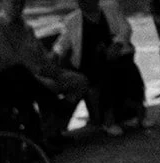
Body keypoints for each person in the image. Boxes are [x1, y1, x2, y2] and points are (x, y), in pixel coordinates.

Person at [0, 0, 89, 144]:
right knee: (48, 86)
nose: (18, 7)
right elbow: (12, 62)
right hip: (20, 79)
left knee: (79, 81)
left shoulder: (26, 27)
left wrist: (50, 64)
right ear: (4, 4)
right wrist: (38, 72)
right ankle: (49, 133)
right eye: (14, 3)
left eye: (21, 3)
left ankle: (56, 126)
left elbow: (40, 52)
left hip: (42, 70)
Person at [53, 0, 146, 134]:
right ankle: (109, 119)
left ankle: (138, 112)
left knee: (127, 67)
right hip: (88, 64)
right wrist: (56, 54)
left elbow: (125, 29)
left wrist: (117, 44)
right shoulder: (72, 20)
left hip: (114, 56)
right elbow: (62, 43)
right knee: (106, 71)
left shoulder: (111, 8)